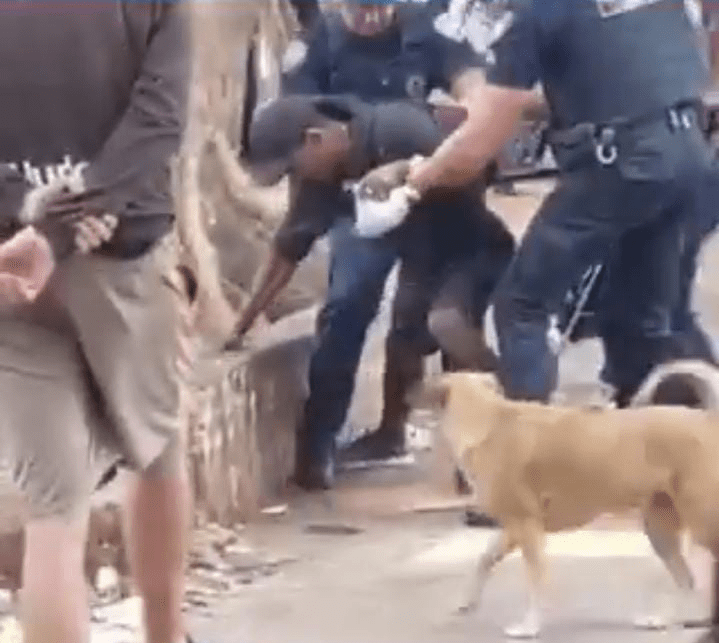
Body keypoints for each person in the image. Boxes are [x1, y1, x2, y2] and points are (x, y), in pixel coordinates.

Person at [0, 2, 242, 643]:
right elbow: (158, 119)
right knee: (159, 440)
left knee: (53, 513)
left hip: (7, 266)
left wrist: (29, 219)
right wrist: (75, 217)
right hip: (116, 253)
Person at [364, 0, 717, 407]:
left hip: (620, 167)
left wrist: (414, 178)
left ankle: (529, 448)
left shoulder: (535, 13)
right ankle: (682, 444)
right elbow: (629, 71)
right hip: (693, 156)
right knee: (647, 319)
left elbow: (475, 150)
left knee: (522, 307)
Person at [234, 93, 515, 487]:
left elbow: (472, 165)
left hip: (469, 245)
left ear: (316, 140)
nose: (293, 179)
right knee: (373, 324)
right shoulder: (323, 179)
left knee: (447, 325)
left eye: (291, 167)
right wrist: (241, 325)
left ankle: (502, 422)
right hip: (419, 250)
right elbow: (288, 250)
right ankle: (343, 446)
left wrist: (406, 172)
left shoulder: (397, 127)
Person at [266, 0, 489, 487]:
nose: (370, 17)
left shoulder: (426, 28)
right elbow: (301, 146)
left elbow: (470, 81)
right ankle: (318, 445)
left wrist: (468, 108)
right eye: (358, 7)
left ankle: (469, 448)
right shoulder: (315, 48)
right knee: (348, 304)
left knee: (440, 314)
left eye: (380, 7)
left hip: (427, 192)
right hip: (351, 200)